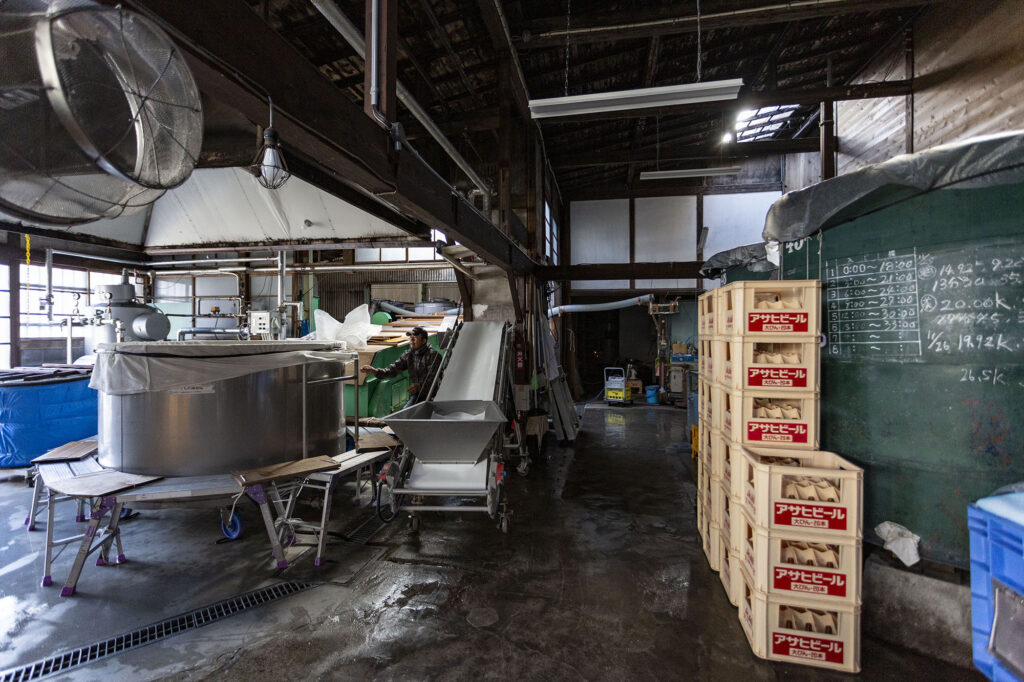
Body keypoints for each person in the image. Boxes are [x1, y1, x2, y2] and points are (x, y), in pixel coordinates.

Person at [360, 326, 441, 407]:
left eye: (415, 338)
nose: (411, 340)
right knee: (406, 414)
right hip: (418, 394)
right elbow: (393, 370)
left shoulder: (433, 356)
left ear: (424, 340)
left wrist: (419, 386)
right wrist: (376, 371)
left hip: (435, 395)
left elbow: (434, 379)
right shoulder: (409, 355)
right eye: (410, 338)